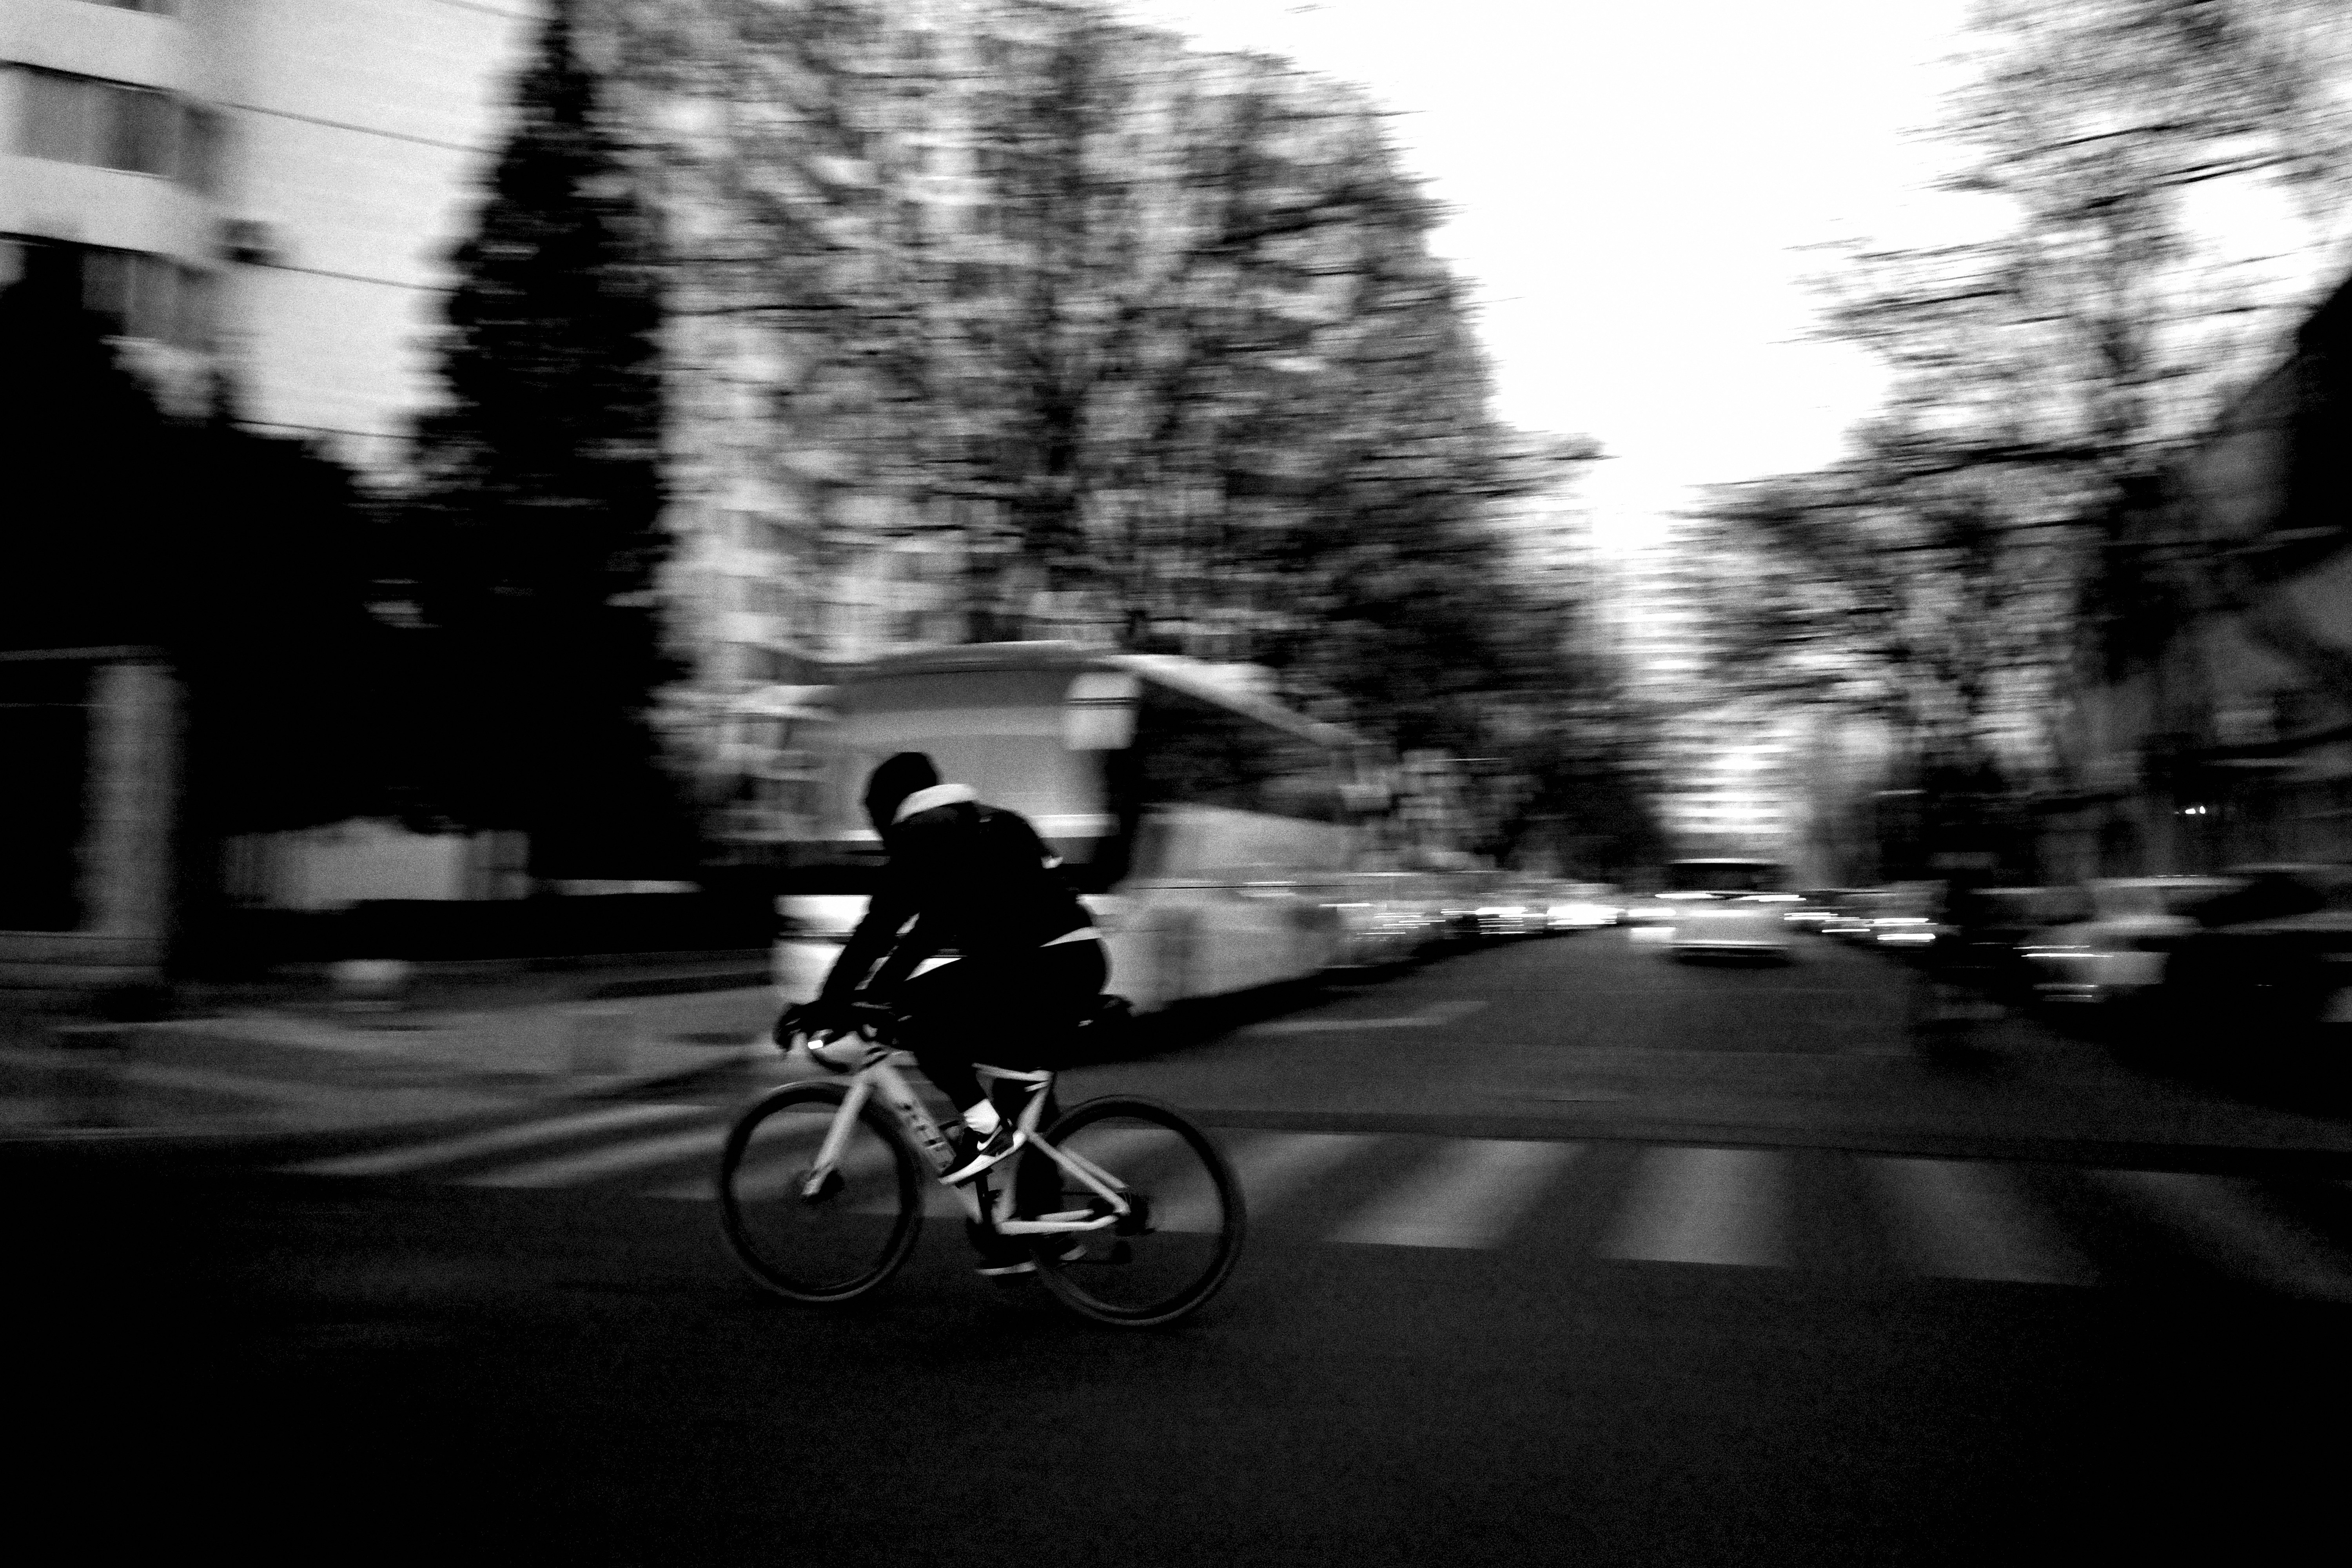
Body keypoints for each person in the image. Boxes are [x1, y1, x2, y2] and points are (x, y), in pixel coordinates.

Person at [774, 752, 1108, 1273]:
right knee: (1023, 1094)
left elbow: (878, 931)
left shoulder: (924, 833)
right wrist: (861, 999)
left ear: (888, 807)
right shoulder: (981, 822)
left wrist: (828, 1004)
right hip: (1076, 961)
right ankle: (1030, 1236)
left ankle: (986, 1132)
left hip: (1039, 966)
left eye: (873, 814)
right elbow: (926, 931)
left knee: (923, 1026)